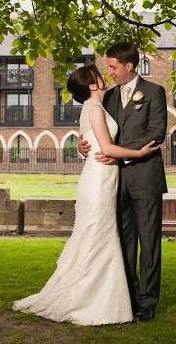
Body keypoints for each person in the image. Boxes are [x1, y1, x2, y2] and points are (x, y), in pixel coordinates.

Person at [13, 64, 159, 326]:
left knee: (99, 234)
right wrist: (138, 153)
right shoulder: (93, 108)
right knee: (98, 234)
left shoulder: (96, 107)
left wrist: (85, 148)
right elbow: (105, 147)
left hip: (103, 176)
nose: (106, 75)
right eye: (100, 75)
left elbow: (88, 141)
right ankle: (93, 298)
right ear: (93, 85)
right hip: (100, 178)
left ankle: (105, 295)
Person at [78, 42, 167, 322]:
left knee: (149, 242)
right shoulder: (109, 98)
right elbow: (100, 129)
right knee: (124, 241)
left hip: (145, 178)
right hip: (114, 182)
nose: (110, 72)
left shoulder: (154, 92)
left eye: (114, 67)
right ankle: (127, 295)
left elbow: (157, 133)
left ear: (130, 67)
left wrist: (118, 155)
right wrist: (86, 147)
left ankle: (147, 302)